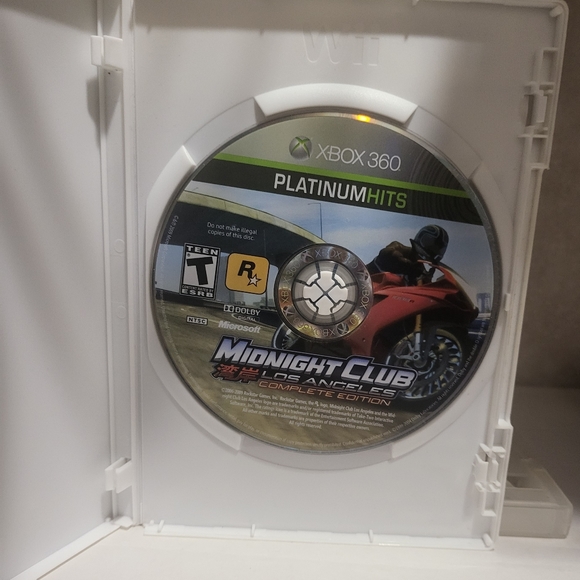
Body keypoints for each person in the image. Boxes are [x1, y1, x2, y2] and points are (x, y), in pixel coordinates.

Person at [366, 225, 449, 283]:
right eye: (429, 243)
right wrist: (407, 266)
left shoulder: (420, 272)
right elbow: (386, 253)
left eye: (436, 249)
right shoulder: (397, 248)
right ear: (420, 238)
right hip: (364, 285)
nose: (431, 250)